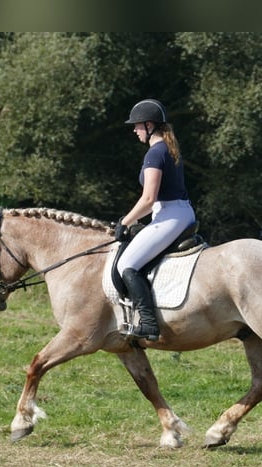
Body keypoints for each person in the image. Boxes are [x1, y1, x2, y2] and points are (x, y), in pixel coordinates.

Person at [114, 98, 196, 341]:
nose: (135, 130)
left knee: (126, 264)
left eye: (137, 125)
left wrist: (124, 222)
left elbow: (148, 198)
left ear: (149, 125)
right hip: (177, 213)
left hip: (170, 215)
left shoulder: (155, 153)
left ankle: (149, 324)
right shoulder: (168, 149)